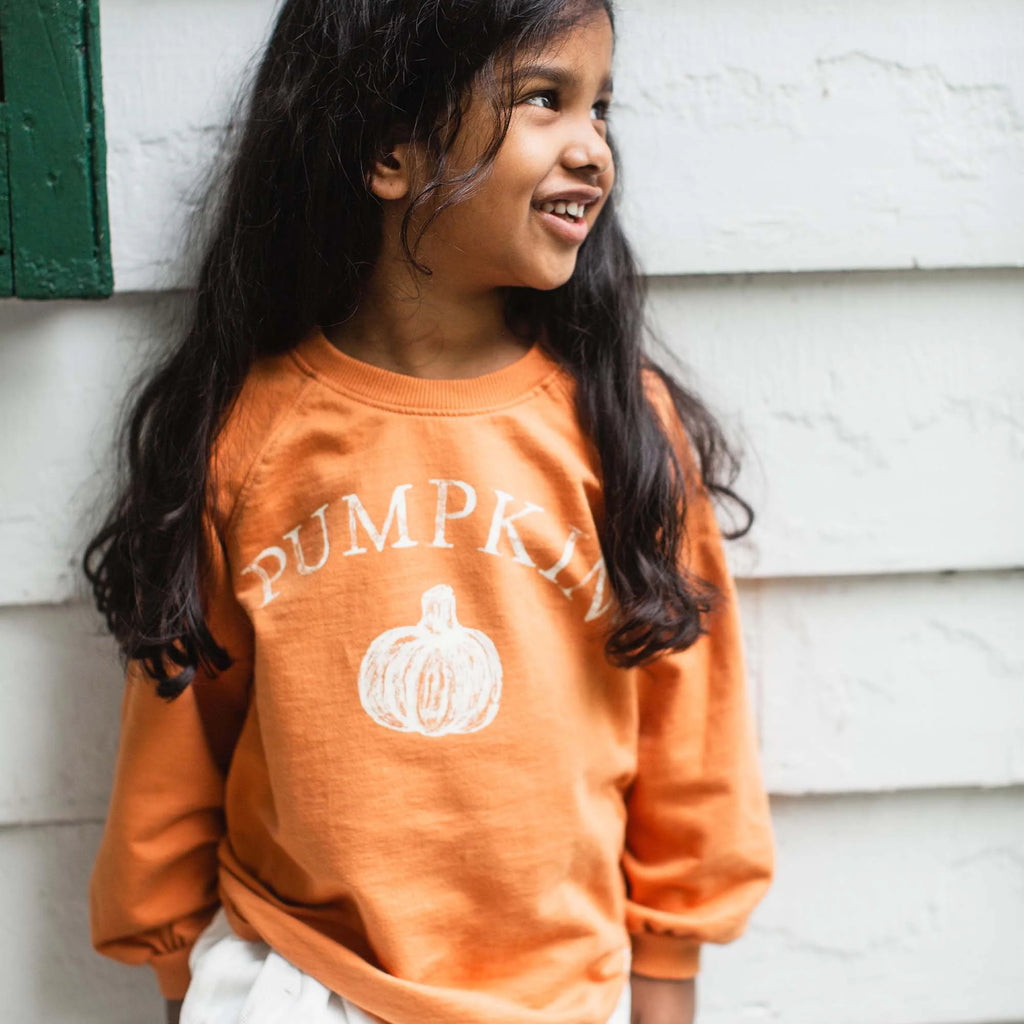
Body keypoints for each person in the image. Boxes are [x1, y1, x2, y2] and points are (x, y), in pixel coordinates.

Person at [83, 1, 775, 1022]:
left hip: (554, 994)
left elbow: (691, 743)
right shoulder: (254, 437)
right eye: (545, 98)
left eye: (600, 108)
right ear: (389, 150)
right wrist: (185, 969)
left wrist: (664, 982)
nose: (593, 149)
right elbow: (179, 733)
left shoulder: (619, 431)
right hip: (297, 976)